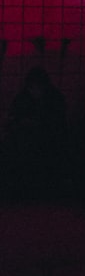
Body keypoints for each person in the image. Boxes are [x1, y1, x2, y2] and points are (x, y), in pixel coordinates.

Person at [1, 66, 70, 197]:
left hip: (49, 141)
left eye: (38, 86)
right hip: (26, 141)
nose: (35, 90)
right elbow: (12, 119)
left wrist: (36, 124)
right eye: (32, 87)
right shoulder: (22, 99)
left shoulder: (55, 99)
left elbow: (58, 124)